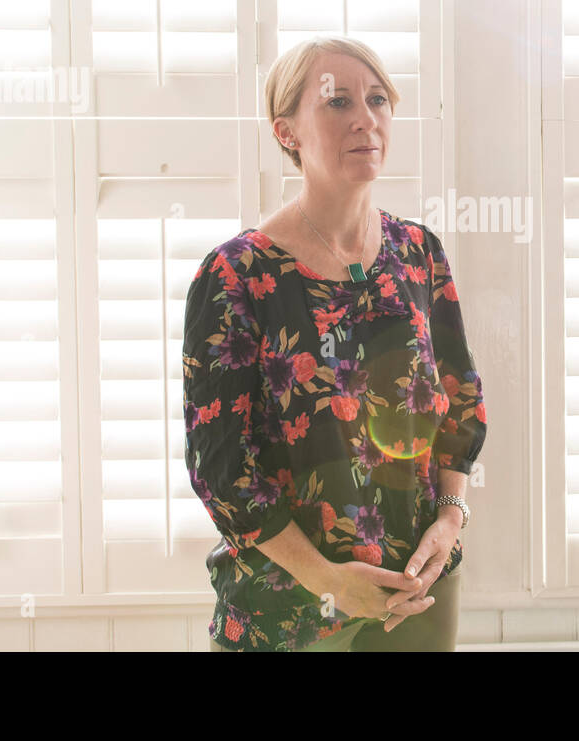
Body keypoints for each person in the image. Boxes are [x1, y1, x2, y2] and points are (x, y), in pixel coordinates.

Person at [183, 35, 487, 651]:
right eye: (337, 101)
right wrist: (327, 581)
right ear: (285, 131)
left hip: (417, 599)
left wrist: (450, 521)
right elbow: (220, 467)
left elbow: (460, 403)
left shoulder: (419, 253)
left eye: (377, 99)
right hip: (286, 612)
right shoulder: (235, 275)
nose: (365, 119)